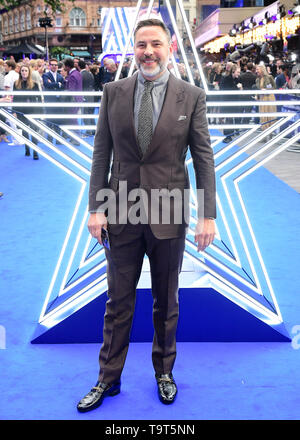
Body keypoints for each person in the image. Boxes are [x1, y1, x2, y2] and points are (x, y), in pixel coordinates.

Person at [77, 18, 216, 413]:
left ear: (170, 48)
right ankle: (108, 378)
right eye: (141, 45)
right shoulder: (112, 92)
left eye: (156, 43)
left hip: (169, 213)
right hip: (120, 211)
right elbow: (101, 154)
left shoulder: (190, 96)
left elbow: (203, 157)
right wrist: (95, 208)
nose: (148, 51)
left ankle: (164, 372)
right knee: (117, 301)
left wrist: (208, 215)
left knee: (165, 300)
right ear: (132, 49)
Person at [13, 64, 41, 159]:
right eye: (22, 71)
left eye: (26, 71)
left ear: (29, 72)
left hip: (33, 111)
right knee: (24, 131)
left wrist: (40, 112)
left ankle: (35, 152)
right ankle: (27, 149)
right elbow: (15, 99)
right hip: (21, 111)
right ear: (20, 72)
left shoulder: (35, 84)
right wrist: (14, 112)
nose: (24, 72)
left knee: (34, 131)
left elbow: (39, 99)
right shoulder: (16, 84)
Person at [42, 58, 66, 143]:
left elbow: (63, 86)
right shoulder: (46, 75)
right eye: (52, 65)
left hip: (59, 101)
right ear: (49, 66)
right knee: (49, 120)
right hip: (50, 101)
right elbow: (46, 84)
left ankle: (58, 139)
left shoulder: (60, 76)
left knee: (58, 120)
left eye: (55, 65)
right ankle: (49, 138)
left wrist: (54, 84)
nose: (54, 66)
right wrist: (57, 84)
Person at [63, 57, 83, 145]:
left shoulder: (72, 76)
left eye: (64, 66)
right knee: (73, 118)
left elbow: (71, 90)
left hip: (73, 100)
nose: (63, 68)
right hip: (78, 99)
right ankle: (73, 137)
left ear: (67, 66)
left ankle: (76, 138)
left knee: (72, 119)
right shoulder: (77, 73)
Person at [255, 64, 277, 132]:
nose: (256, 71)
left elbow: (274, 87)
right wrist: (256, 95)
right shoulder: (257, 79)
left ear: (262, 70)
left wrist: (267, 90)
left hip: (269, 98)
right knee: (263, 116)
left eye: (257, 69)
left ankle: (270, 132)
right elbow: (258, 89)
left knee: (270, 116)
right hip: (262, 99)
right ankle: (264, 132)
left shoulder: (269, 77)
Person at [78, 59, 95, 136]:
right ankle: (94, 130)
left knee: (85, 114)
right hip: (91, 96)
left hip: (84, 96)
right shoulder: (90, 74)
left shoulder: (80, 75)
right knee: (90, 113)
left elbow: (80, 87)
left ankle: (89, 131)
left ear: (78, 66)